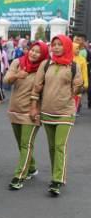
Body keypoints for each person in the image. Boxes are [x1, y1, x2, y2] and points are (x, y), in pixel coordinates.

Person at [30, 35, 83, 196]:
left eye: (60, 45)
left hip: (66, 112)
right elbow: (36, 87)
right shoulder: (46, 65)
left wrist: (78, 88)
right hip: (47, 112)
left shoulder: (74, 66)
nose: (57, 47)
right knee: (52, 147)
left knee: (60, 146)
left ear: (67, 47)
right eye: (54, 45)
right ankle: (58, 175)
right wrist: (34, 108)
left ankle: (56, 180)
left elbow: (77, 88)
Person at [3, 41, 49, 190]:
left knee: (26, 144)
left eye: (38, 52)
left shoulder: (44, 68)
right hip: (15, 109)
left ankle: (19, 176)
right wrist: (17, 75)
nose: (34, 53)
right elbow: (6, 79)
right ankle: (31, 166)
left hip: (32, 111)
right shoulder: (18, 62)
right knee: (21, 144)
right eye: (32, 50)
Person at [73, 43, 88, 114]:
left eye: (78, 48)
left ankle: (73, 113)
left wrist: (86, 83)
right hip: (68, 84)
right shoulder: (68, 58)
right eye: (76, 48)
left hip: (78, 84)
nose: (78, 50)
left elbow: (84, 72)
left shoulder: (82, 59)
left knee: (76, 99)